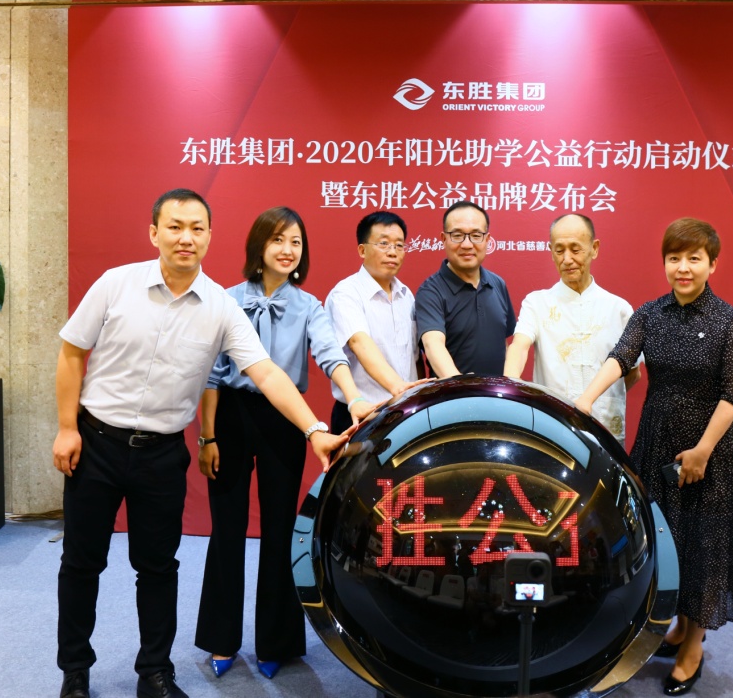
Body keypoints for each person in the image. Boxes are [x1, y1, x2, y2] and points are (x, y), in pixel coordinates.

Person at [52, 189, 346, 698]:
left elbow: (266, 373)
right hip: (97, 443)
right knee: (82, 563)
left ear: (210, 236)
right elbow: (72, 352)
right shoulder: (116, 284)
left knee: (158, 569)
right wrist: (66, 427)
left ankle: (155, 673)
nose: (185, 238)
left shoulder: (221, 307)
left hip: (162, 453)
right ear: (155, 233)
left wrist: (313, 428)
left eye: (196, 228)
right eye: (175, 227)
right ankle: (75, 672)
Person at [194, 207, 373, 680]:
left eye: (295, 241)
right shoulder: (227, 299)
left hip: (285, 420)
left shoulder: (310, 305)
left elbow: (331, 355)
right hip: (231, 416)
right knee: (227, 529)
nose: (287, 249)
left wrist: (354, 396)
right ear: (259, 246)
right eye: (277, 239)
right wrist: (207, 435)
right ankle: (220, 640)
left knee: (279, 530)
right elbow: (210, 375)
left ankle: (276, 641)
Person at [575, 218, 733, 696]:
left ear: (712, 264)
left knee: (702, 544)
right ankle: (674, 626)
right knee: (662, 539)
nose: (683, 267)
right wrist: (586, 400)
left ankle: (693, 644)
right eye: (674, 258)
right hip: (655, 445)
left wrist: (703, 451)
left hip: (708, 453)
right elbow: (621, 356)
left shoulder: (731, 321)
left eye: (694, 258)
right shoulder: (650, 314)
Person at [503, 213, 641, 445]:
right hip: (553, 429)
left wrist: (605, 399)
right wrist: (510, 385)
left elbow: (633, 373)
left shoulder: (619, 309)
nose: (567, 259)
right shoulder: (537, 303)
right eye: (559, 250)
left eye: (575, 249)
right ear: (551, 251)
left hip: (605, 430)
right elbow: (519, 346)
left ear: (594, 249)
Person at [324, 211, 421, 434]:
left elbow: (414, 357)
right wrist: (399, 388)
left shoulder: (406, 295)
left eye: (399, 245)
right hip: (362, 415)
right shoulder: (346, 293)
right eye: (383, 244)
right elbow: (359, 343)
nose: (392, 252)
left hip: (405, 413)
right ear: (362, 250)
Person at [415, 200, 516, 377]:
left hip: (496, 393)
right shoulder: (430, 291)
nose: (467, 244)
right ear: (444, 239)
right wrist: (460, 387)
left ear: (487, 240)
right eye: (457, 235)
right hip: (451, 393)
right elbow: (433, 345)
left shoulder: (497, 284)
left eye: (476, 235)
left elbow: (503, 343)